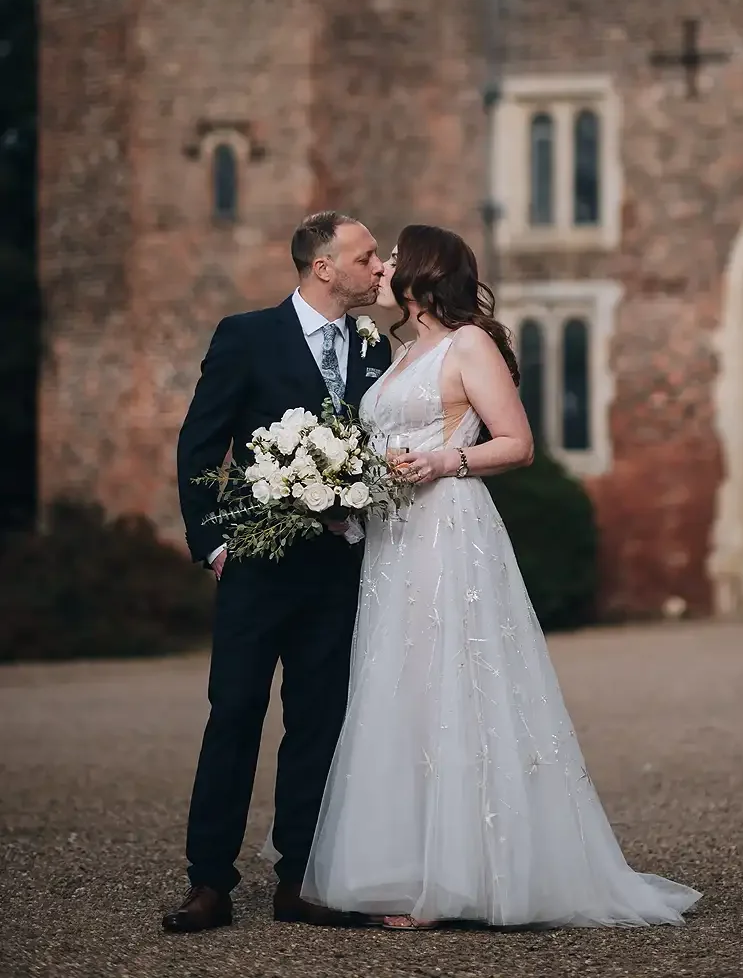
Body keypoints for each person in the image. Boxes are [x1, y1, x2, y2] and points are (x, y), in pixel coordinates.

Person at [300, 223, 702, 928]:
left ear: (423, 275)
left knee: (451, 683)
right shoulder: (397, 353)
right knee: (401, 689)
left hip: (446, 528)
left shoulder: (468, 344)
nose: (384, 267)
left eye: (395, 258)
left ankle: (457, 877)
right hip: (392, 540)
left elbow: (516, 443)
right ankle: (407, 864)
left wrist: (443, 462)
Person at [163, 211, 393, 934]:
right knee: (233, 714)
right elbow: (201, 444)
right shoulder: (246, 336)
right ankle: (209, 882)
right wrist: (215, 544)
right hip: (257, 567)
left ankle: (300, 878)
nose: (377, 266)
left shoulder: (372, 346)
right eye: (365, 256)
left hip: (336, 567)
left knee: (318, 721)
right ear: (322, 266)